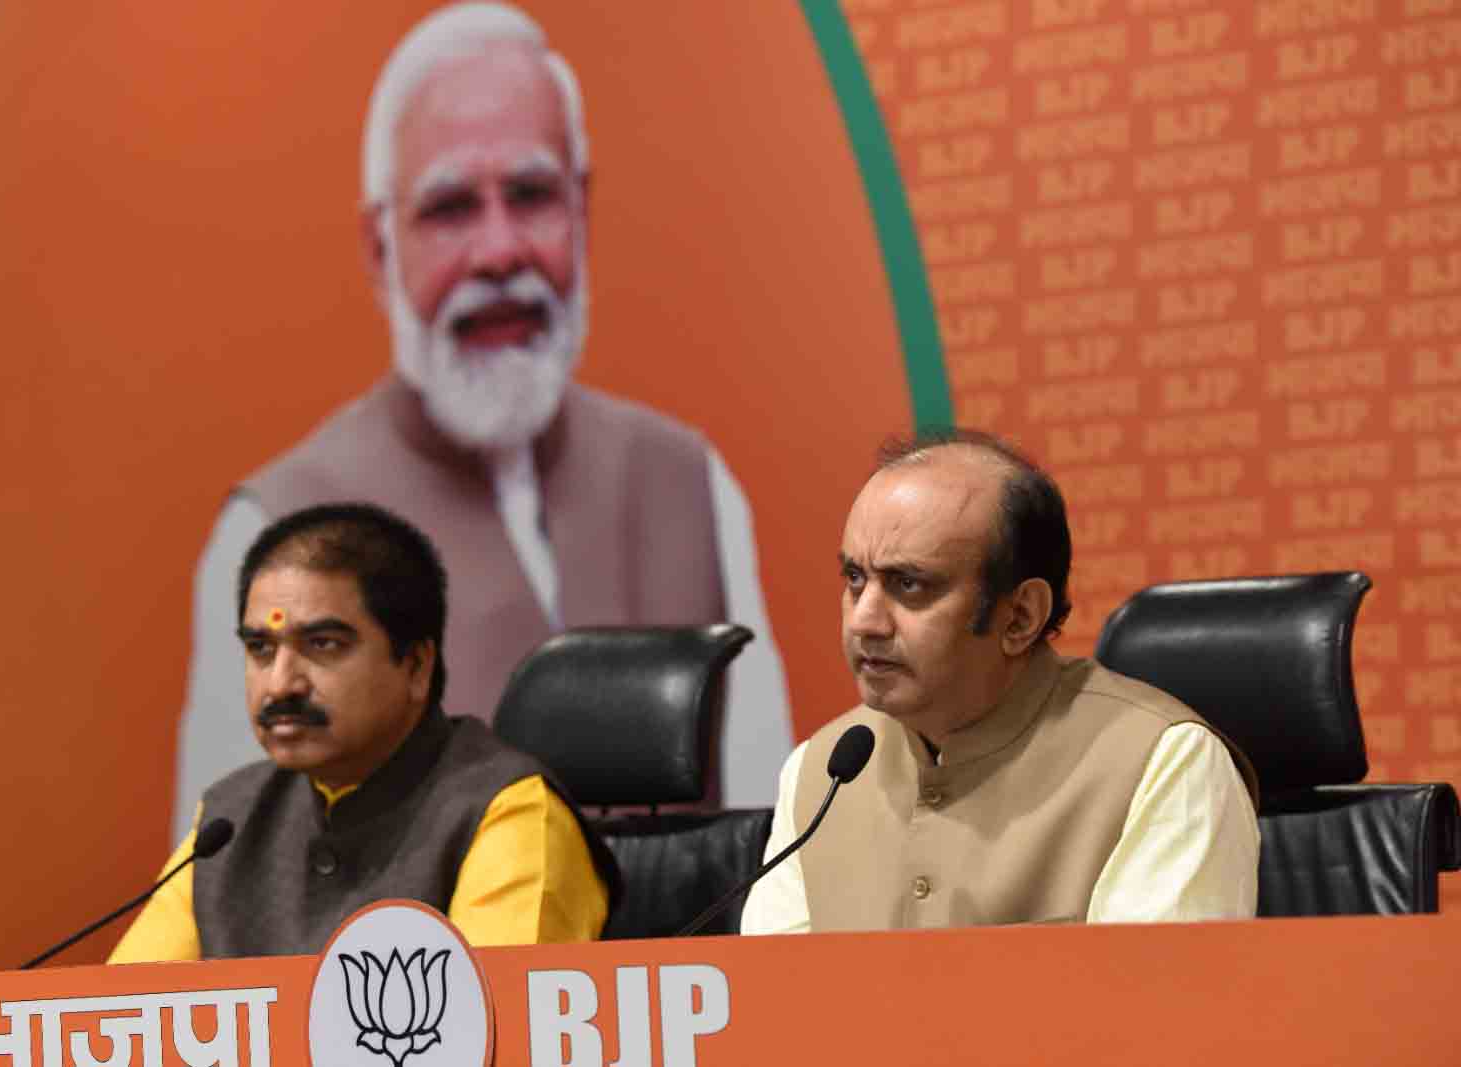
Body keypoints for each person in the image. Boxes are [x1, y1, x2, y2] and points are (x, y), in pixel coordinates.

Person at [171, 1, 792, 842]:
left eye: (531, 195)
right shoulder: (272, 534)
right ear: (380, 248)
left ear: (581, 207)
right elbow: (230, 898)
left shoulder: (689, 483)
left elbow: (770, 858)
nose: (500, 252)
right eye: (451, 207)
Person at [740, 430, 1260, 934]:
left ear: (1019, 617)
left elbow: (1163, 1010)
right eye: (855, 579)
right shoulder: (820, 773)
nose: (864, 621)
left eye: (909, 585)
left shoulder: (1163, 762)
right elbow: (780, 1007)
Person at [112, 503, 616, 961]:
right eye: (261, 649)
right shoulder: (229, 820)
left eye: (323, 644)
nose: (281, 683)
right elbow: (129, 1021)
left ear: (416, 666)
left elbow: (497, 1041)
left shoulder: (507, 811)